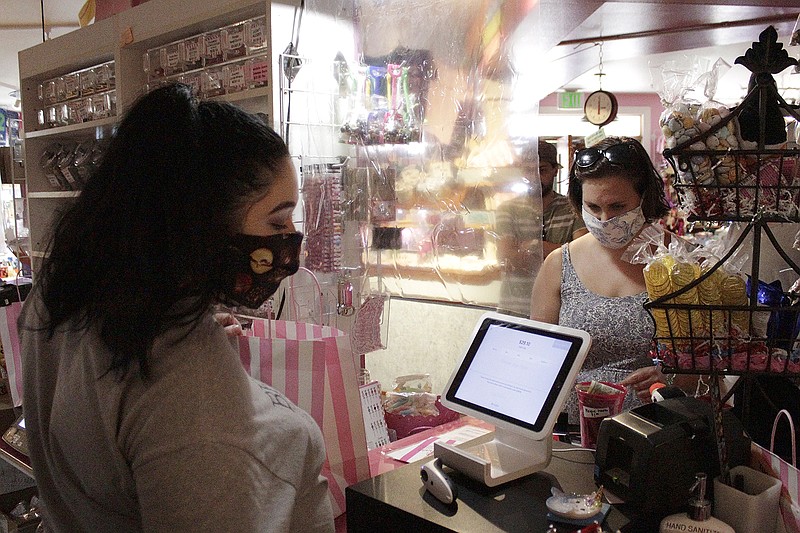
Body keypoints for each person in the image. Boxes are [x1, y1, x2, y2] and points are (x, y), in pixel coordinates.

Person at [19, 84, 334, 532]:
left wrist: (193, 339)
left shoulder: (62, 293)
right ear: (202, 221)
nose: (289, 244)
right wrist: (190, 366)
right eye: (277, 221)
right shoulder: (195, 396)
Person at [530, 136, 672, 424]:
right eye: (593, 208)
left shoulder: (678, 262)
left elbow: (711, 363)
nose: (605, 219)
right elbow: (539, 360)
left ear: (644, 198)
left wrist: (674, 376)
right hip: (573, 429)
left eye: (618, 207)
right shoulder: (559, 263)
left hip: (658, 430)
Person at [496, 140, 587, 316]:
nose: (535, 177)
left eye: (541, 169)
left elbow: (581, 257)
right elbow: (506, 256)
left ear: (555, 170)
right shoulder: (508, 209)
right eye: (528, 170)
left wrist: (531, 246)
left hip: (561, 308)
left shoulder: (573, 208)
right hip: (515, 308)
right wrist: (561, 251)